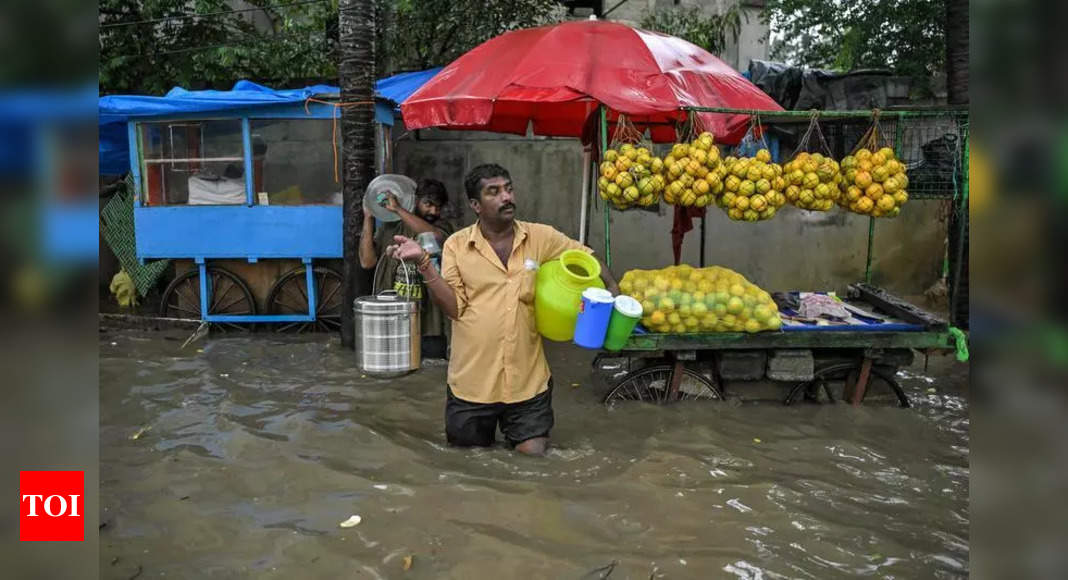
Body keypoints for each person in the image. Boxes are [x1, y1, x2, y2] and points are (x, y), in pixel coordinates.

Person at [386, 164, 618, 455]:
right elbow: (454, 309)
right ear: (476, 205)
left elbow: (586, 257)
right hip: (472, 384)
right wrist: (424, 264)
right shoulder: (457, 245)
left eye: (508, 188)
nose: (506, 197)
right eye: (493, 192)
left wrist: (613, 292)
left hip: (527, 383)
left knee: (533, 459)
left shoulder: (539, 237)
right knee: (469, 464)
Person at [360, 178, 454, 359]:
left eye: (438, 206)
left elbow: (432, 236)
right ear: (415, 200)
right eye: (428, 204)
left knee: (429, 373)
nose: (433, 211)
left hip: (430, 327)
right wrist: (368, 216)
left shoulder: (442, 228)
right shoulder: (391, 227)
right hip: (394, 320)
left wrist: (397, 209)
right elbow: (367, 262)